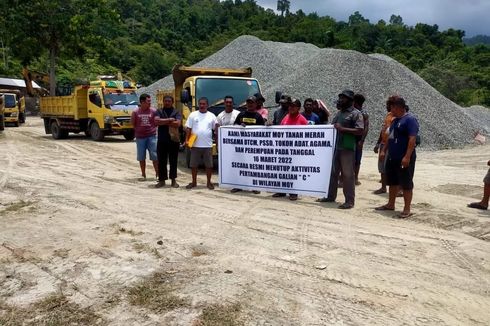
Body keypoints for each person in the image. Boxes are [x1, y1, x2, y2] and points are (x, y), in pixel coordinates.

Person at [318, 90, 364, 209]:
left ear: (350, 100)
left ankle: (349, 201)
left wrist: (342, 129)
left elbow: (360, 130)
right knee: (333, 172)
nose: (341, 100)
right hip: (335, 147)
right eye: (340, 98)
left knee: (348, 174)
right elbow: (332, 127)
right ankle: (330, 196)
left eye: (343, 98)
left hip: (347, 148)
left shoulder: (356, 114)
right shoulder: (339, 113)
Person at [375, 96, 419, 218]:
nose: (390, 110)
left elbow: (412, 139)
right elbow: (390, 137)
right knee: (392, 181)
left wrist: (407, 156)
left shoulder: (410, 120)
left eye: (392, 107)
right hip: (392, 157)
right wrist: (384, 151)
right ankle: (391, 204)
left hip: (403, 157)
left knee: (406, 183)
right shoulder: (394, 121)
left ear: (398, 107)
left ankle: (407, 209)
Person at [272, 98, 308, 201]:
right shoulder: (285, 117)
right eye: (290, 106)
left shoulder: (302, 120)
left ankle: (294, 192)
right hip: (284, 149)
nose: (291, 108)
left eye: (293, 106)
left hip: (296, 151)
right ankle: (281, 190)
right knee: (282, 170)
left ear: (298, 108)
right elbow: (279, 131)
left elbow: (308, 136)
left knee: (293, 171)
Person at [231, 96, 265, 194]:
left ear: (256, 104)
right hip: (241, 147)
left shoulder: (258, 117)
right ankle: (238, 185)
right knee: (240, 166)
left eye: (252, 103)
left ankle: (254, 186)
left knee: (254, 167)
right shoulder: (241, 115)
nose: (250, 104)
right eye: (248, 102)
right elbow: (233, 127)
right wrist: (239, 126)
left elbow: (263, 132)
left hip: (254, 147)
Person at [185, 97, 217, 190]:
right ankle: (194, 182)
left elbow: (216, 129)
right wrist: (186, 140)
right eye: (200, 104)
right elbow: (189, 129)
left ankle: (209, 183)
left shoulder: (212, 116)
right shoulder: (193, 115)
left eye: (204, 104)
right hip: (195, 145)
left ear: (207, 105)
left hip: (207, 145)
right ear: (198, 104)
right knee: (194, 165)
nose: (202, 105)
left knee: (209, 165)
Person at [154, 95, 181, 188]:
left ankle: (173, 180)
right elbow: (156, 122)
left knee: (173, 161)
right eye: (166, 101)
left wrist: (163, 121)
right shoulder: (159, 111)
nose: (167, 102)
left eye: (169, 101)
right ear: (163, 101)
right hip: (162, 140)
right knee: (161, 161)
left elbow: (178, 124)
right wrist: (170, 120)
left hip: (174, 140)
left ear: (172, 102)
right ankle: (162, 180)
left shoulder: (176, 111)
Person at [131, 94, 159, 180]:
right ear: (142, 102)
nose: (150, 103)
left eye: (150, 101)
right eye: (148, 101)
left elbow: (156, 122)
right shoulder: (135, 112)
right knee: (141, 157)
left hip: (152, 137)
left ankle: (158, 174)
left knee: (155, 156)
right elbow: (133, 123)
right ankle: (143, 175)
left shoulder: (153, 111)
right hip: (140, 138)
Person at [353, 94, 369, 185]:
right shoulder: (352, 111)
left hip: (358, 139)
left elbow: (366, 128)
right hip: (352, 138)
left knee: (357, 159)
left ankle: (355, 178)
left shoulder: (363, 113)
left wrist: (362, 140)